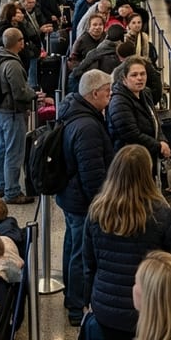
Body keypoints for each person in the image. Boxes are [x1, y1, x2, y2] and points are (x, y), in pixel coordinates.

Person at [84, 145, 171, 340]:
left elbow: (89, 263)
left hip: (107, 307)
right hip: (151, 308)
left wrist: (90, 300)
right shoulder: (161, 214)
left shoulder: (97, 211)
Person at [55, 69, 114, 325]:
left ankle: (71, 295)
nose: (111, 95)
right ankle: (76, 306)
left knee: (72, 246)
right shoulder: (87, 126)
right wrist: (102, 203)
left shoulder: (75, 111)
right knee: (80, 252)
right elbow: (92, 174)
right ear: (94, 93)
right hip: (82, 201)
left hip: (70, 196)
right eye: (108, 91)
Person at [0, 27, 47, 205]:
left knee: (2, 148)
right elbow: (19, 92)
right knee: (14, 152)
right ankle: (12, 191)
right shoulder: (13, 64)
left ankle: (1, 184)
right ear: (19, 42)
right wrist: (34, 95)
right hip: (12, 112)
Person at [107, 56, 171, 165]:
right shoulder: (119, 102)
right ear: (124, 78)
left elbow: (155, 120)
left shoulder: (145, 93)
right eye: (134, 75)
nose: (140, 78)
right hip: (129, 161)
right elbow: (132, 135)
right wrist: (159, 146)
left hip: (147, 155)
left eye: (143, 74)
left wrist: (162, 139)